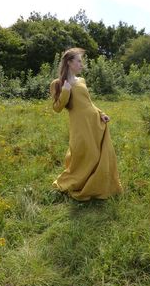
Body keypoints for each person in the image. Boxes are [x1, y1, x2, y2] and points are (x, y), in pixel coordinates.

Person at [50, 47, 124, 201]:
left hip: (94, 122)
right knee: (83, 153)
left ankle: (97, 185)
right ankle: (77, 183)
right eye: (78, 61)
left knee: (97, 154)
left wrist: (102, 113)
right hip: (80, 127)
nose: (81, 65)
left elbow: (89, 103)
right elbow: (57, 108)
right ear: (69, 62)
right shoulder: (57, 83)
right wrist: (65, 91)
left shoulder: (81, 81)